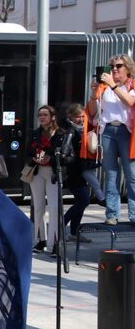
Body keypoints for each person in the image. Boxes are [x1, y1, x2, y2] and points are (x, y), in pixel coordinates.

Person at [87, 55, 135, 225]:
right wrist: (94, 94)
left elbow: (130, 101)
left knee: (132, 175)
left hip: (127, 132)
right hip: (108, 131)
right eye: (112, 66)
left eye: (119, 66)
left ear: (128, 68)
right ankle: (112, 214)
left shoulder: (131, 85)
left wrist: (113, 85)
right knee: (111, 175)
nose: (114, 69)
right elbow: (92, 112)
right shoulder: (104, 87)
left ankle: (134, 214)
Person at [26, 105, 62, 252]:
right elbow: (26, 153)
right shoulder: (35, 134)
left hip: (53, 172)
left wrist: (50, 159)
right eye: (40, 115)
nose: (42, 117)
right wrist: (34, 159)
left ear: (52, 117)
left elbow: (67, 156)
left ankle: (54, 244)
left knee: (54, 208)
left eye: (45, 115)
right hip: (37, 172)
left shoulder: (60, 134)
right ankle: (39, 240)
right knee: (38, 207)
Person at [59, 104, 96, 243]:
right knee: (84, 200)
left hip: (79, 170)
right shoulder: (70, 131)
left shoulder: (82, 130)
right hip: (73, 171)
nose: (81, 119)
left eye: (83, 116)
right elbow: (66, 152)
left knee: (81, 201)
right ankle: (62, 227)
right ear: (71, 117)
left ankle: (74, 232)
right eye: (78, 117)